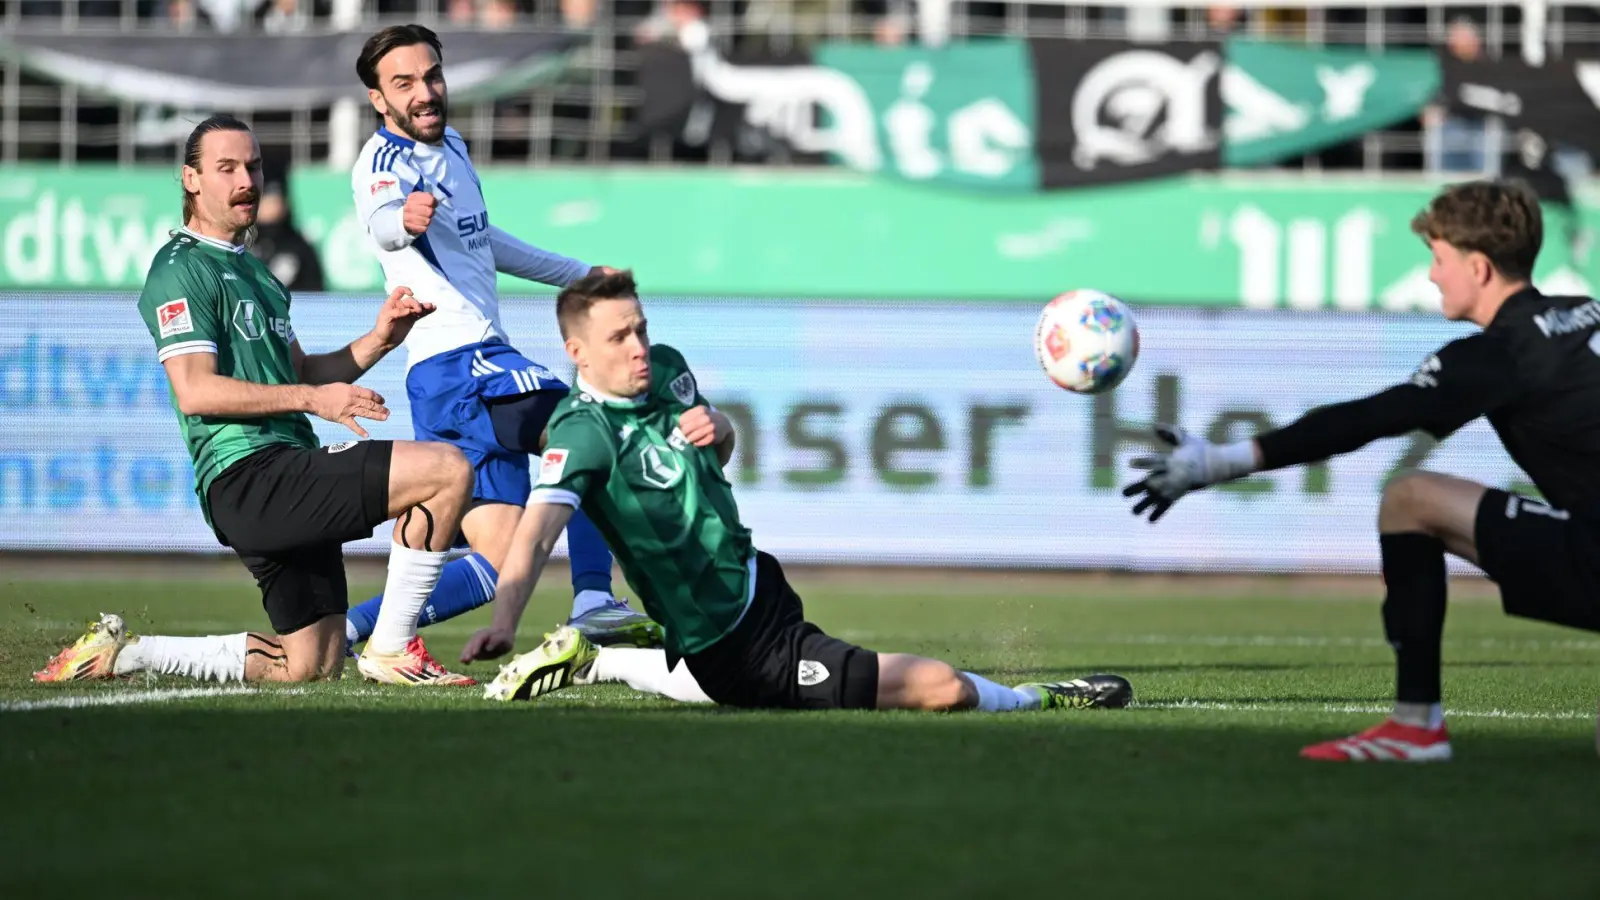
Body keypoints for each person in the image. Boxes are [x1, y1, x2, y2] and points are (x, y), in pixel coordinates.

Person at [457, 269, 1134, 714]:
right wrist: (504, 623)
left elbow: (719, 457)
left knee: (703, 675)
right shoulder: (582, 434)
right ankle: (1039, 699)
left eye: (641, 327)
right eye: (618, 337)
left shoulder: (666, 370)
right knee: (942, 689)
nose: (638, 346)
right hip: (737, 646)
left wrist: (720, 429)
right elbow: (538, 533)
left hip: (758, 581)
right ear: (578, 354)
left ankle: (599, 660)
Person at [1122, 179, 1600, 761]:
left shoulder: (1501, 352)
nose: (1431, 275)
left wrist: (1222, 461)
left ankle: (1414, 725)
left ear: (1477, 268)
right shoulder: (1585, 316)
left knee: (1410, 498)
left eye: (1438, 257)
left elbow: (1371, 419)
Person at [34, 114, 478, 688]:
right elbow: (196, 390)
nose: (246, 179)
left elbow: (300, 371)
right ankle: (393, 649)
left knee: (309, 667)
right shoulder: (181, 269)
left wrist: (379, 339)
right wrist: (313, 399)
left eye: (254, 166)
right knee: (447, 470)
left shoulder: (257, 274)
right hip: (249, 473)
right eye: (227, 168)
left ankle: (129, 654)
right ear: (191, 179)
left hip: (282, 467)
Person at [345, 24, 661, 653]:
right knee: (589, 430)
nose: (425, 92)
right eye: (403, 83)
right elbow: (382, 221)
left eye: (431, 76)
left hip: (448, 379)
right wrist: (401, 223)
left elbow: (482, 239)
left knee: (500, 562)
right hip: (462, 362)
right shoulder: (383, 163)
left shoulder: (453, 145)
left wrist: (578, 275)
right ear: (379, 100)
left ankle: (349, 629)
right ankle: (594, 599)